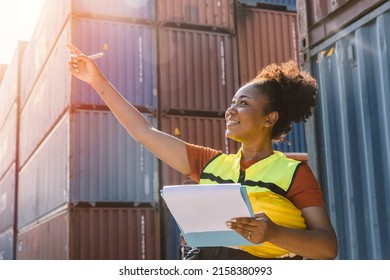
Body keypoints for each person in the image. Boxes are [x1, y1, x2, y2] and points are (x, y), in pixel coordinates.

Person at [67, 43, 338, 260]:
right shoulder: (210, 163)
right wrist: (95, 80)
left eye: (243, 103)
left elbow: (327, 248)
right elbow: (143, 132)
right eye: (232, 102)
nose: (230, 110)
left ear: (270, 118)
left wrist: (273, 233)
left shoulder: (293, 173)